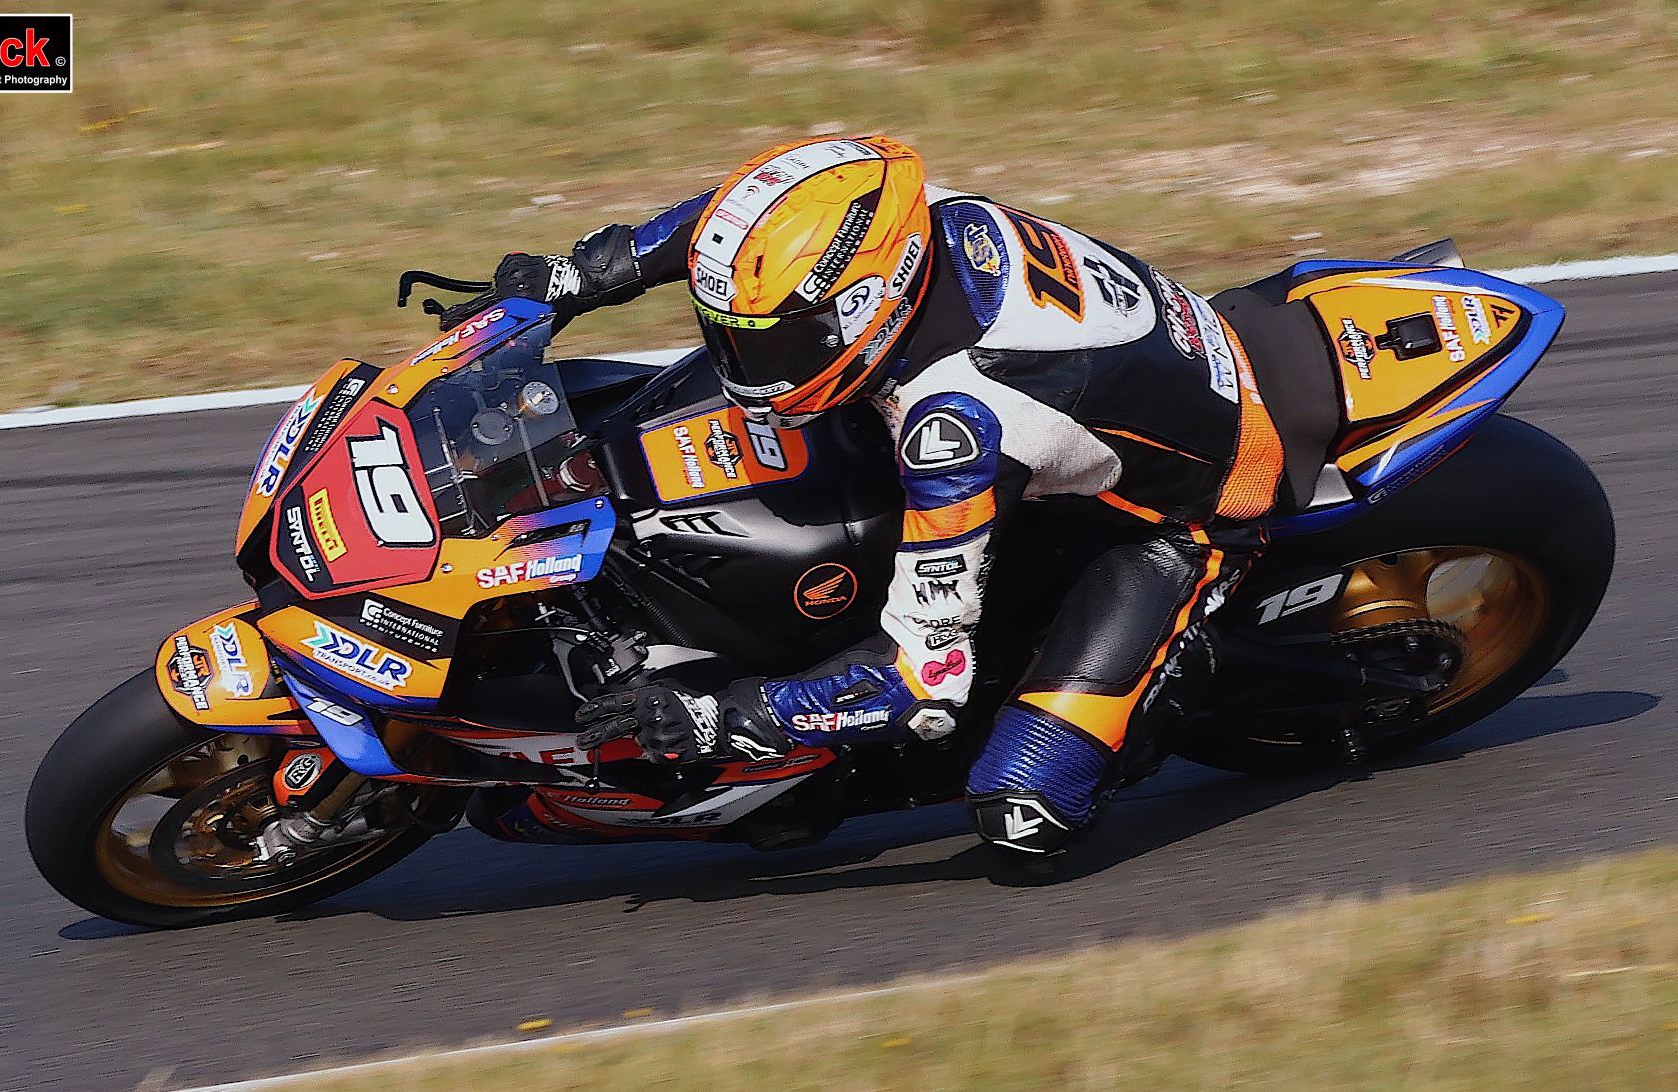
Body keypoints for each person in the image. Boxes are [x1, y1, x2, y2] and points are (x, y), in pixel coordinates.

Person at [438, 135, 1334, 861]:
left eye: (782, 343)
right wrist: (575, 278)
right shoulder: (883, 219)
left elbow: (921, 683)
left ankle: (1151, 695)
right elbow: (722, 225)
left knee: (1024, 807)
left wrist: (718, 714)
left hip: (1184, 513)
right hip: (1104, 399)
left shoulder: (955, 423)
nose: (749, 367)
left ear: (870, 303)